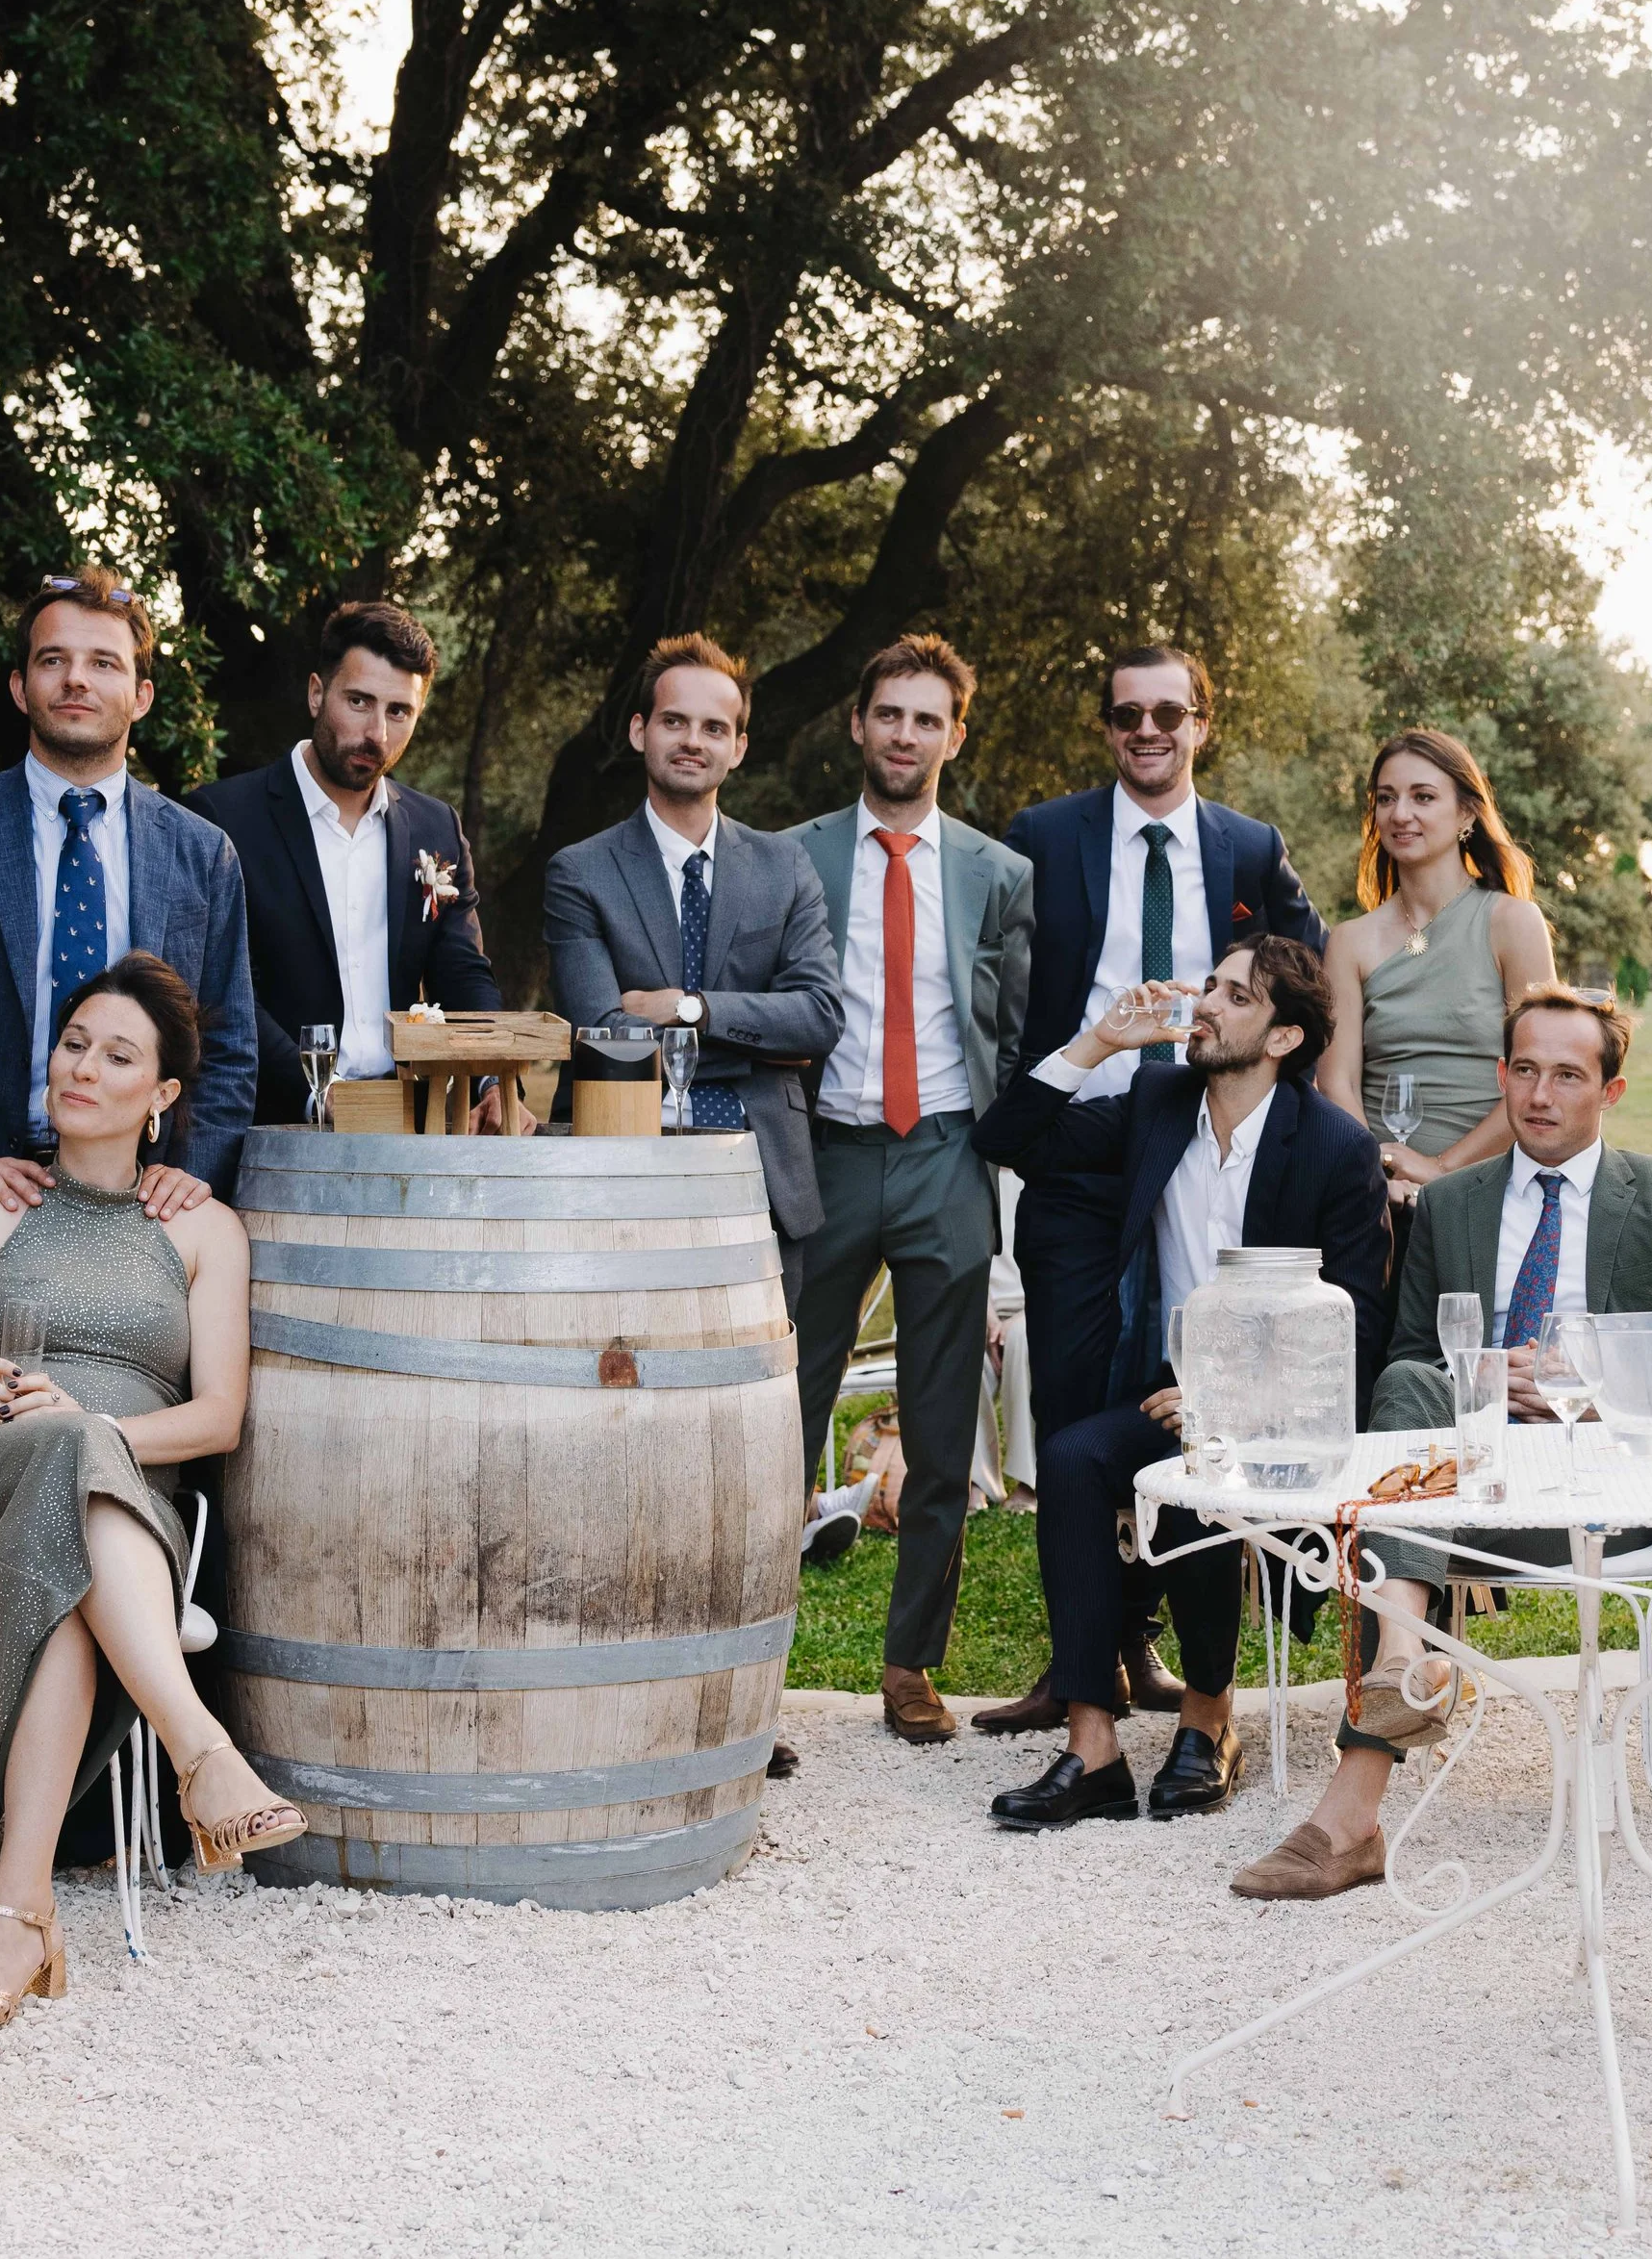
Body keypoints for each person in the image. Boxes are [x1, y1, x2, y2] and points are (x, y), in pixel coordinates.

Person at [0, 954, 303, 2030]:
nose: (84, 1067)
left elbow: (215, 1421)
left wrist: (90, 1426)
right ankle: (200, 1746)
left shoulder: (202, 1230)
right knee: (58, 1470)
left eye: (118, 1055)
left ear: (160, 1097)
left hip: (108, 1513)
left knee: (63, 1521)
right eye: (73, 1043)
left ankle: (20, 1913)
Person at [1232, 985, 1652, 1900]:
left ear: (1609, 1092)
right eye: (1524, 1069)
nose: (1540, 1093)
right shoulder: (1452, 1205)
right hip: (1465, 1503)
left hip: (1616, 1506)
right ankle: (1400, 1662)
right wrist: (1481, 1376)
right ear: (1500, 1075)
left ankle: (1351, 1807)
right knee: (1408, 1384)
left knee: (1402, 1475)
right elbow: (1407, 1368)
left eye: (1568, 1074)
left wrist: (1589, 1386)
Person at [978, 644, 1324, 1735]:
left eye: (1168, 711)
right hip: (1083, 1157)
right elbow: (997, 985)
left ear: (1199, 723)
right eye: (1126, 713)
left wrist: (1280, 1118)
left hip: (1196, 1138)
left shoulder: (1249, 847)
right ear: (1106, 727)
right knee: (1079, 1400)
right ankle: (1083, 1651)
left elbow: (1304, 978)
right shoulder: (1042, 835)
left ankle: (1156, 1648)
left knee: (1189, 1391)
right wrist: (1077, 1055)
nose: (1147, 729)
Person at [973, 936, 1390, 1828]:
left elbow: (1351, 1322)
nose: (1205, 1004)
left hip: (1279, 1400)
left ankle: (1209, 1718)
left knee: (1206, 1465)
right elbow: (1008, 1140)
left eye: (1235, 996)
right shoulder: (1158, 1100)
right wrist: (1098, 1043)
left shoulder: (1333, 1147)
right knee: (1075, 1457)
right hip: (1164, 1378)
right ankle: (1093, 1745)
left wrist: (1233, 1396)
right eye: (1211, 985)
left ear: (1282, 1037)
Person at [543, 632, 844, 1780]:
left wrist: (690, 1001)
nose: (693, 741)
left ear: (739, 744)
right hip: (628, 1195)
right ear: (640, 731)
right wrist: (718, 1019)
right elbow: (594, 1024)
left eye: (715, 726)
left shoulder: (782, 869)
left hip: (757, 1195)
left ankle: (737, 1702)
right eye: (675, 721)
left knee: (750, 1460)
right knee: (622, 1450)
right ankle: (627, 1689)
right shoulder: (581, 870)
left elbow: (818, 1015)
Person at [0, 566, 258, 1269]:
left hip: (145, 1214)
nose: (76, 679)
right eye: (53, 660)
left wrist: (191, 1173)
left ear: (141, 696)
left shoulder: (203, 854)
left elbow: (229, 1044)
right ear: (20, 687)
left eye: (103, 662)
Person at [780, 636, 1034, 1745]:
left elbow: (1015, 1032)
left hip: (943, 1152)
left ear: (954, 734)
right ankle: (751, 1666)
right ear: (857, 723)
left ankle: (909, 1664)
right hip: (822, 1152)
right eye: (888, 714)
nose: (904, 735)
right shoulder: (788, 857)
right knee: (780, 1417)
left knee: (939, 1427)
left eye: (927, 719)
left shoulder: (997, 871)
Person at [188, 597, 517, 1126]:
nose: (378, 735)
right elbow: (221, 991)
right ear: (317, 693)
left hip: (411, 1121)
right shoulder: (220, 819)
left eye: (399, 712)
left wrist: (493, 1079)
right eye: (360, 702)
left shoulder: (436, 829)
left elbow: (463, 973)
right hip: (270, 1124)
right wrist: (323, 1092)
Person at [1313, 730, 1557, 1207]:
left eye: (1423, 796)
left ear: (1466, 812)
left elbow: (1540, 1077)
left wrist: (1442, 1169)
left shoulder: (1513, 922)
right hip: (1377, 1196)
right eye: (1386, 799)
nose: (1400, 814)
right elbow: (1336, 1081)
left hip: (1494, 1187)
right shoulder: (1349, 941)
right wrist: (1375, 1176)